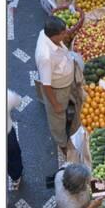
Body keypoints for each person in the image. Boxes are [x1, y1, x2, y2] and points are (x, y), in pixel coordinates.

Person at [35, 15, 83, 157]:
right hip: (57, 90)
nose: (66, 33)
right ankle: (62, 143)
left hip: (66, 81)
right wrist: (55, 103)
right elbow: (46, 84)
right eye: (63, 33)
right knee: (57, 118)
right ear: (54, 36)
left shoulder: (47, 34)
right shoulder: (45, 56)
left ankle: (69, 118)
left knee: (71, 103)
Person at [7, 89, 23, 189]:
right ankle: (16, 177)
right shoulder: (7, 96)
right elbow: (18, 101)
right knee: (13, 155)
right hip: (7, 133)